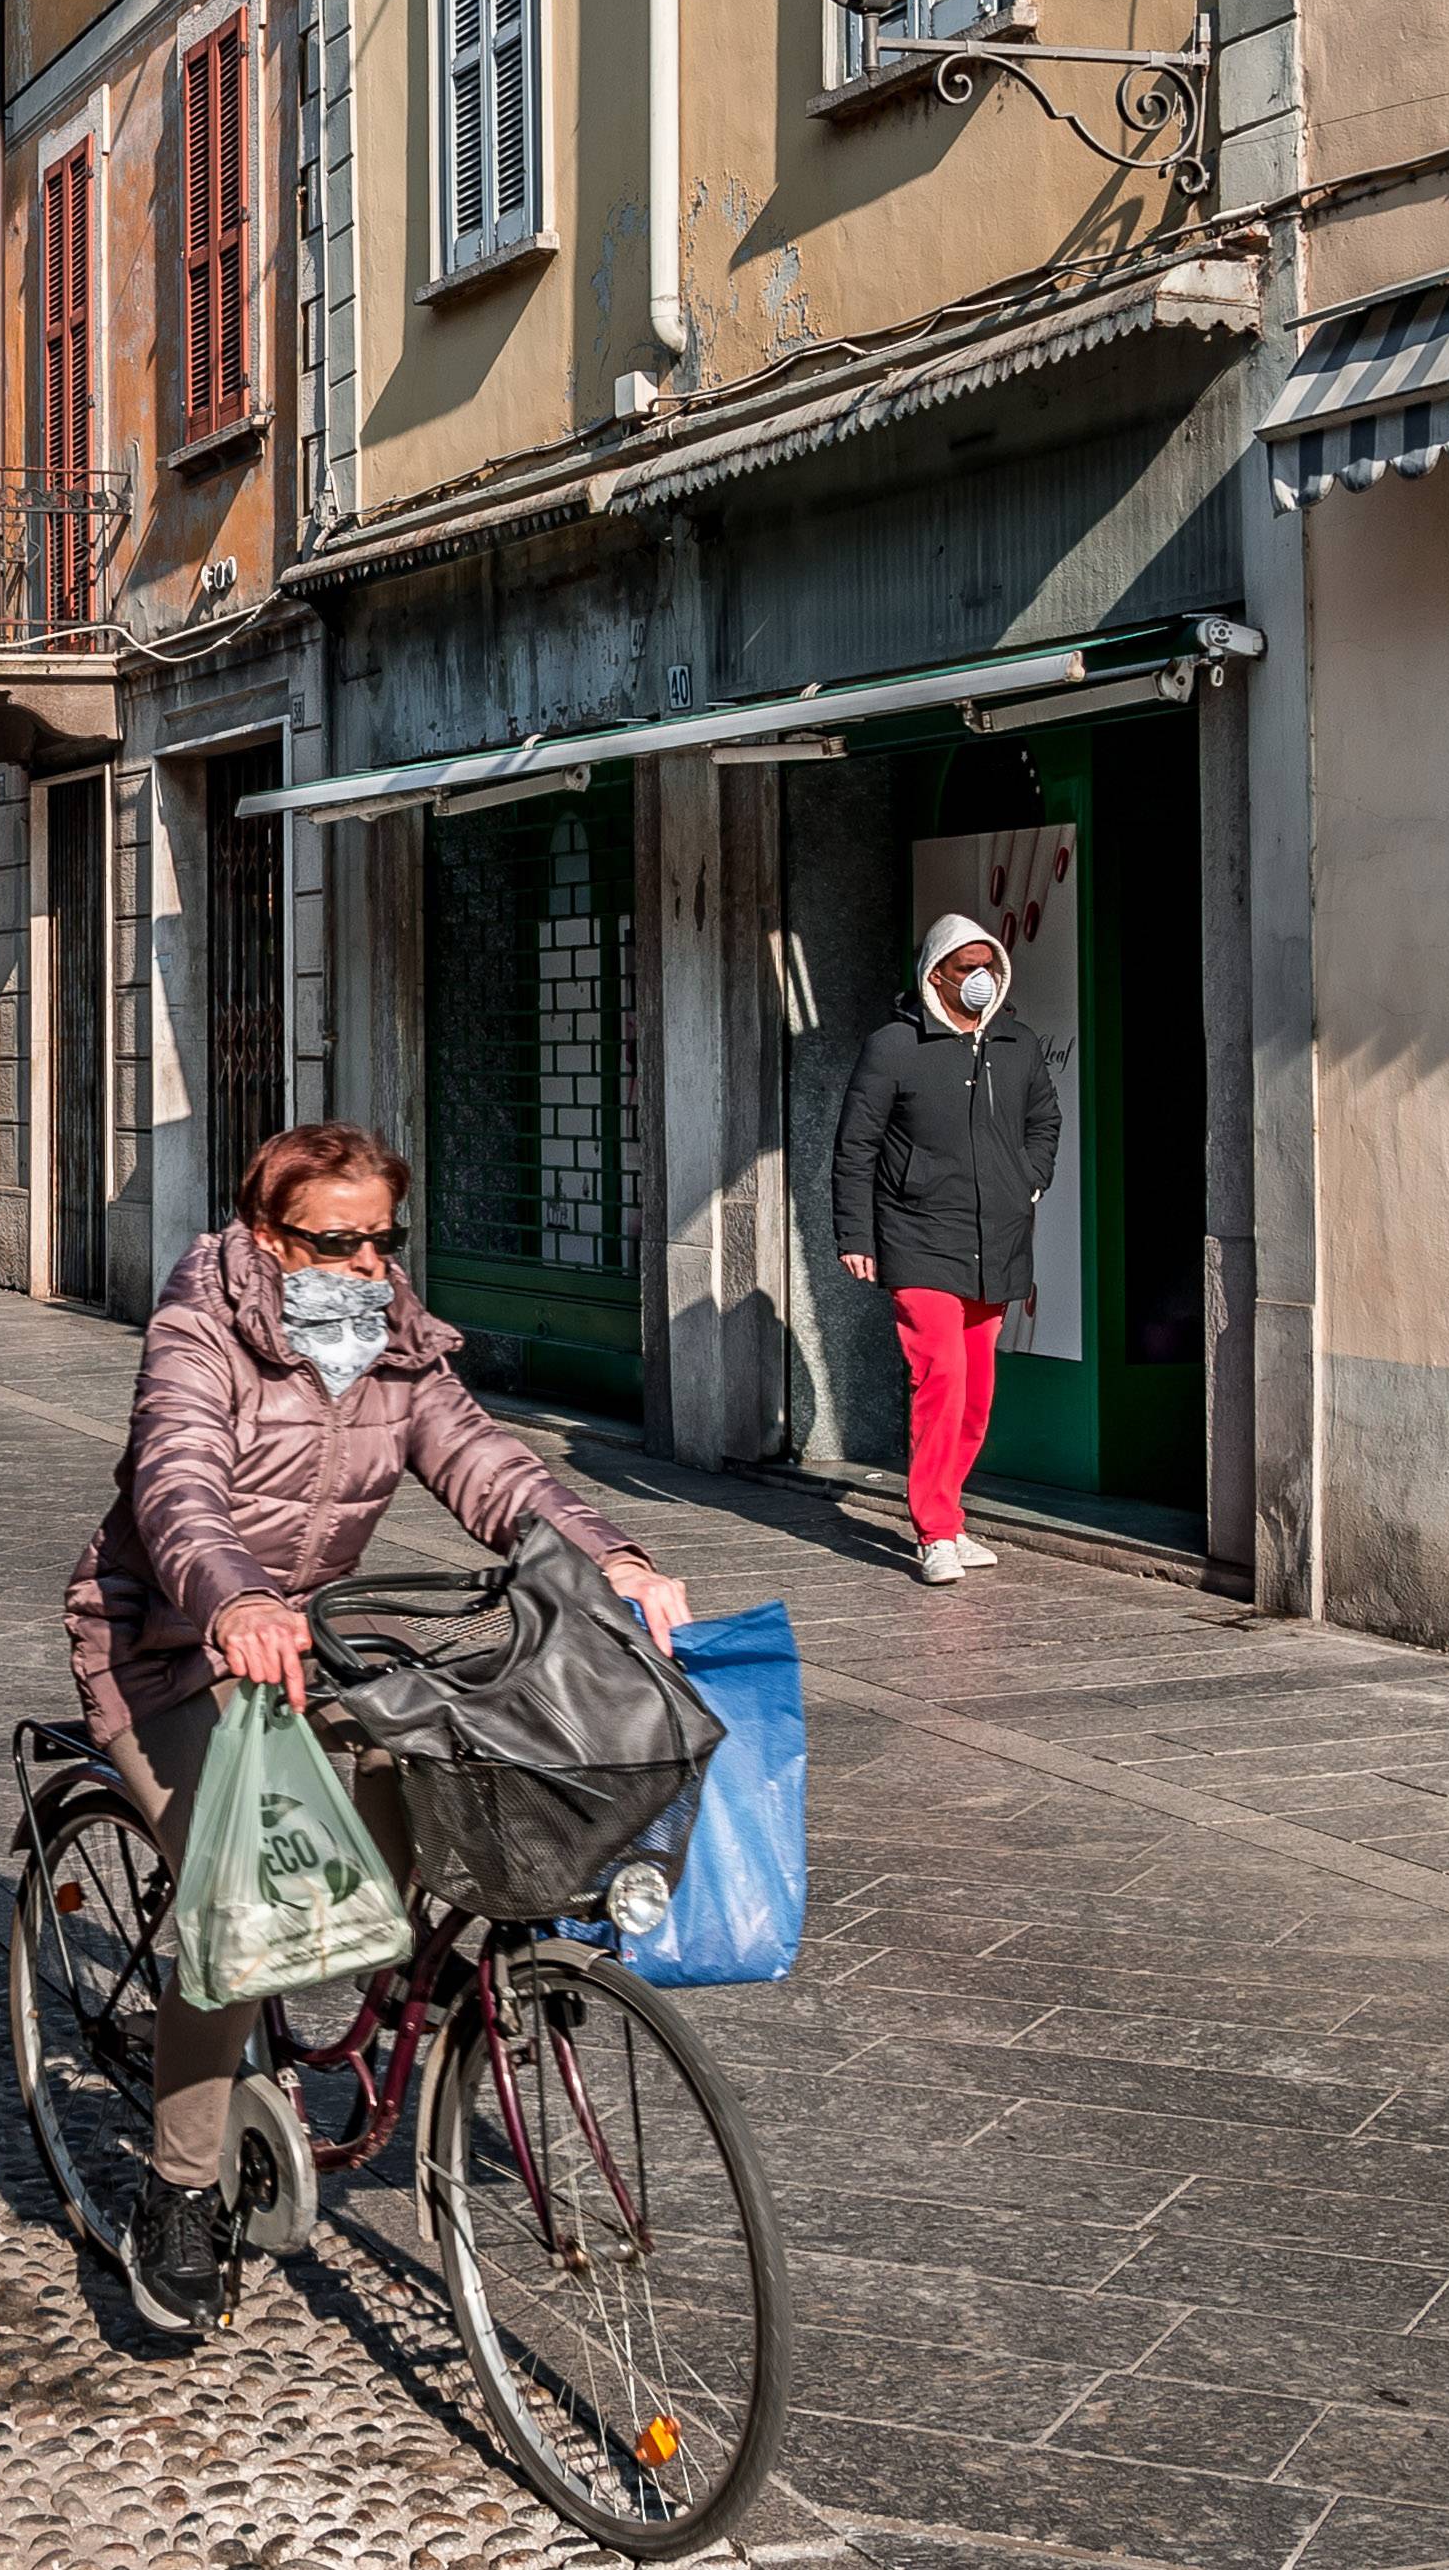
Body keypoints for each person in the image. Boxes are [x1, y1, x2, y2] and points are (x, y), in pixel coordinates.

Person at [64, 1119, 688, 2334]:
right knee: (244, 1905)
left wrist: (608, 1555)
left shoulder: (393, 1342)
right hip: (169, 1647)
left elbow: (488, 1464)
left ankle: (332, 2022)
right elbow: (175, 1480)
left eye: (379, 1242)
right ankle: (179, 2189)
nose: (360, 1268)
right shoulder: (201, 1329)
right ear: (265, 1235)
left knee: (418, 1828)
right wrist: (234, 1595)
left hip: (313, 1642)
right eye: (331, 1243)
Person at [832, 912, 1062, 1585]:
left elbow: (1044, 1119)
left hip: (996, 1239)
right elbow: (856, 1146)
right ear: (936, 974)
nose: (982, 980)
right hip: (917, 1235)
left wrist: (1030, 1180)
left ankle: (952, 1516)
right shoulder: (893, 1046)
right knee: (941, 1379)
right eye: (968, 969)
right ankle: (934, 1529)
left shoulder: (1016, 1042)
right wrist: (855, 1234)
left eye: (989, 967)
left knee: (978, 1390)